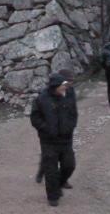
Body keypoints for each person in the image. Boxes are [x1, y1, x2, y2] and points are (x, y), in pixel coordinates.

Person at [30, 73, 78, 207]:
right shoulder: (41, 99)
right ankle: (53, 196)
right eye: (63, 86)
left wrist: (70, 126)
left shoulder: (69, 94)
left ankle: (59, 184)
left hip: (66, 139)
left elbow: (74, 113)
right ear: (55, 87)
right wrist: (46, 129)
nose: (65, 87)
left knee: (69, 165)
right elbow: (34, 118)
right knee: (51, 169)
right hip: (48, 141)